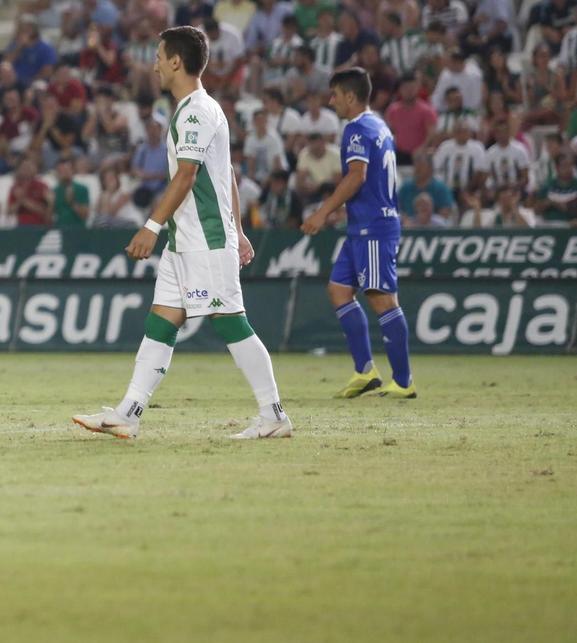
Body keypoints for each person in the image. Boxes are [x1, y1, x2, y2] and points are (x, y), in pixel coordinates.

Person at [74, 26, 291, 441]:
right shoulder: (194, 110)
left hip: (204, 240)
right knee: (161, 323)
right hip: (185, 242)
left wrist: (151, 225)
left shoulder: (195, 110)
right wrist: (240, 230)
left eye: (159, 55)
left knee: (230, 322)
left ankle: (274, 414)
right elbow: (225, 173)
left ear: (177, 61)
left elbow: (189, 176)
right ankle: (128, 413)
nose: (154, 63)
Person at [302, 68, 415, 399]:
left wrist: (323, 212)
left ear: (350, 96)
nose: (330, 100)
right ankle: (365, 371)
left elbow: (357, 176)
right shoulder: (377, 123)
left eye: (335, 94)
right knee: (339, 290)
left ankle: (404, 382)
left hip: (374, 227)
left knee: (381, 298)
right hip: (361, 226)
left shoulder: (357, 128)